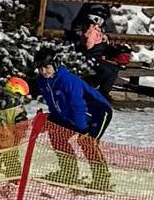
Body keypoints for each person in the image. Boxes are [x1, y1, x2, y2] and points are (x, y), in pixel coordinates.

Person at [33, 58, 113, 190]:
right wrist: (49, 119)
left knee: (87, 142)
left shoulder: (68, 80)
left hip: (97, 113)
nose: (43, 71)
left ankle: (102, 180)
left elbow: (78, 106)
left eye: (47, 67)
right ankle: (69, 173)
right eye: (40, 68)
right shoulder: (43, 82)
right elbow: (54, 105)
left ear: (55, 65)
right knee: (56, 132)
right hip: (71, 115)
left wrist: (83, 130)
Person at [0, 74, 35, 182]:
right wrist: (19, 137)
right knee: (11, 162)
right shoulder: (18, 109)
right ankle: (13, 183)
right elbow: (21, 125)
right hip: (10, 141)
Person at [70, 4, 131, 102]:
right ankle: (89, 85)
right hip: (90, 57)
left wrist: (104, 38)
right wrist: (93, 38)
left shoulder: (99, 30)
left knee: (114, 70)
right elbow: (88, 45)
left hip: (98, 57)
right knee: (106, 71)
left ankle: (103, 92)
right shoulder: (90, 30)